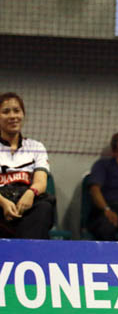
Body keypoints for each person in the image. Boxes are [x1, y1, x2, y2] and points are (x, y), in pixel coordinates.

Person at [0, 92, 54, 239]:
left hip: (26, 199)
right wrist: (3, 203)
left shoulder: (36, 147)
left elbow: (41, 182)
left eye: (17, 111)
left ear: (23, 114)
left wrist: (30, 194)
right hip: (1, 199)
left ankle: (29, 251)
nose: (13, 116)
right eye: (6, 111)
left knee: (44, 207)